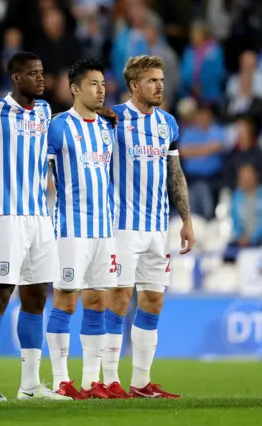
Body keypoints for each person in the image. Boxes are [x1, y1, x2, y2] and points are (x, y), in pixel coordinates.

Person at [0, 52, 71, 402]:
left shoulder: (44, 112)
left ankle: (30, 386)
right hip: (5, 216)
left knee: (37, 297)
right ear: (15, 78)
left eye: (42, 72)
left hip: (40, 217)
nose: (41, 79)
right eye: (33, 74)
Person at [102, 55, 195, 398]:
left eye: (161, 80)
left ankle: (140, 382)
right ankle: (109, 380)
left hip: (158, 228)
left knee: (153, 300)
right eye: (152, 80)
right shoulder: (112, 119)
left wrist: (185, 220)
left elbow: (175, 174)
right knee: (120, 298)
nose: (160, 86)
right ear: (134, 85)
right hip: (122, 226)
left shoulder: (168, 123)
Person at [45, 58, 117, 400]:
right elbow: (33, 167)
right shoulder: (58, 127)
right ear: (75, 88)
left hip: (104, 229)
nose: (100, 89)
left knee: (98, 301)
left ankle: (91, 381)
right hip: (71, 229)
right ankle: (61, 379)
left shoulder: (106, 127)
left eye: (102, 83)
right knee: (65, 300)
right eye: (93, 84)